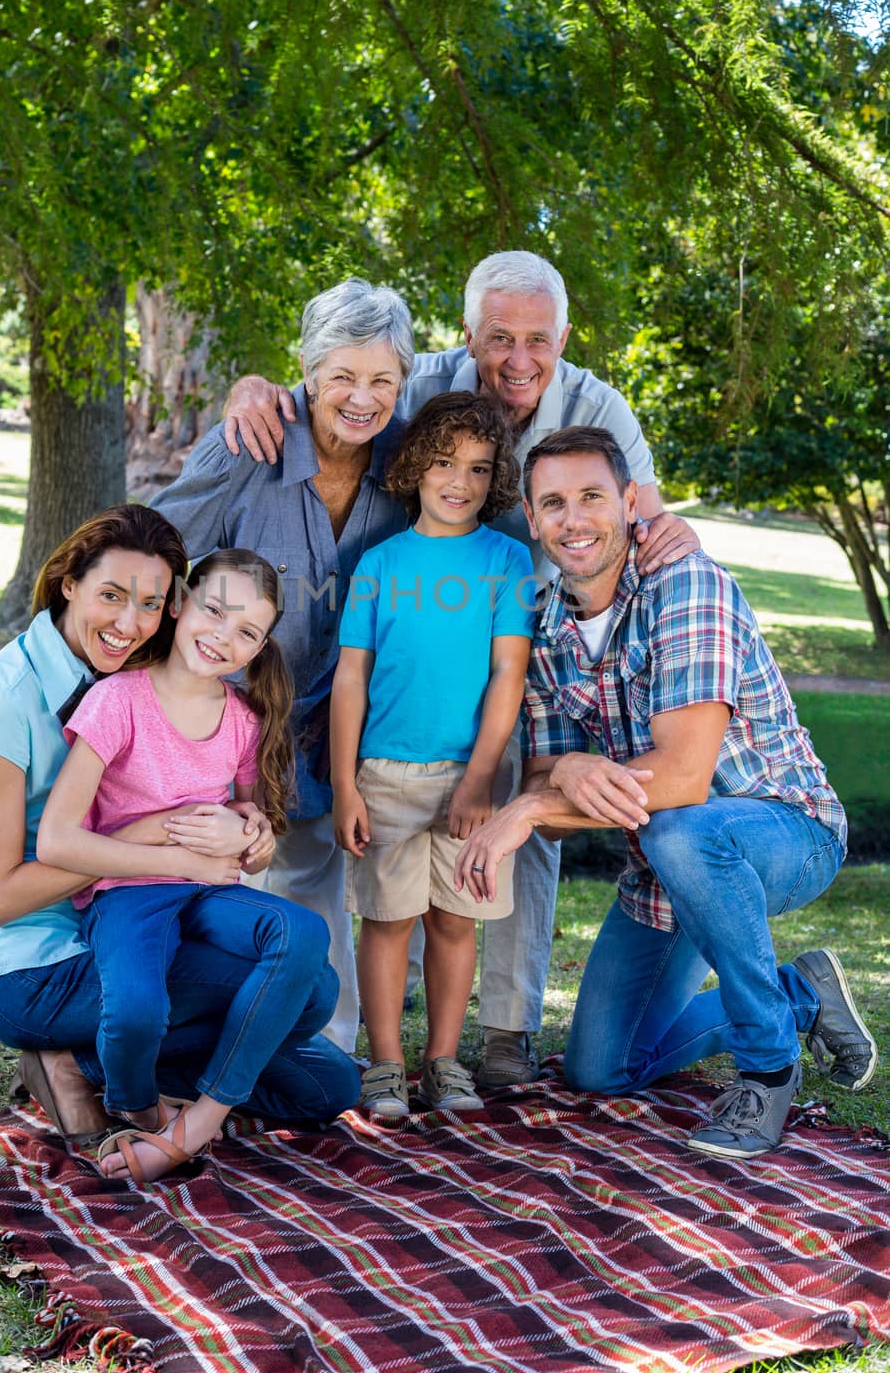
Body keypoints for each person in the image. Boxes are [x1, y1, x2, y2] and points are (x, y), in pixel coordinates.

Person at [222, 251, 700, 1088]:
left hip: (542, 639)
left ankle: (504, 1030)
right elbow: (342, 393)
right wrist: (258, 390)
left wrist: (675, 543)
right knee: (390, 895)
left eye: (537, 340)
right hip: (410, 659)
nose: (518, 359)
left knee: (519, 832)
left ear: (563, 338)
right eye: (498, 338)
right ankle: (384, 1049)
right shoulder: (420, 389)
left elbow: (646, 513)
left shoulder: (596, 406)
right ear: (467, 335)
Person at [455, 426, 877, 1157]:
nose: (573, 520)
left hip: (784, 831)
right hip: (665, 870)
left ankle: (767, 1069)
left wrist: (529, 804)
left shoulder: (685, 584)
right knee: (599, 1068)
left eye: (591, 496)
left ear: (627, 502)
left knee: (678, 829)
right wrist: (559, 773)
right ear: (529, 515)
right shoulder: (548, 627)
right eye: (553, 503)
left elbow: (679, 779)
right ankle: (802, 994)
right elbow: (547, 793)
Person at [0, 505, 359, 1158]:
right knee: (307, 992)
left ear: (171, 607)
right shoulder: (8, 705)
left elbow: (224, 794)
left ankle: (98, 1060)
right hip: (41, 966)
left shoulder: (138, 679)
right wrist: (158, 839)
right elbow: (0, 897)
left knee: (325, 1080)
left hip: (156, 914)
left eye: (149, 603)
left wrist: (249, 831)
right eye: (111, 595)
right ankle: (83, 1066)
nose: (128, 623)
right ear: (68, 583)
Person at [153, 278, 415, 1053]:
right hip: (227, 719)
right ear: (305, 369)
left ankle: (316, 1051)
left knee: (314, 889)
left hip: (336, 721)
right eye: (341, 376)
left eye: (381, 381)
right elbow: (154, 546)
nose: (361, 398)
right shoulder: (248, 442)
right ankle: (183, 1046)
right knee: (210, 888)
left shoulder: (407, 462)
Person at [36, 548, 325, 1184]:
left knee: (308, 953)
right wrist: (179, 856)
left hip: (207, 893)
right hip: (126, 892)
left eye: (246, 631)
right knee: (138, 1010)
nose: (223, 636)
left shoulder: (243, 721)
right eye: (213, 610)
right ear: (179, 605)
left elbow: (254, 819)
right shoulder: (117, 702)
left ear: (259, 648)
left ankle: (199, 1120)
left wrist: (254, 834)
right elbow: (59, 840)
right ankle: (131, 1101)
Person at [332, 393, 534, 1115]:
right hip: (383, 771)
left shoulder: (509, 561)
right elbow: (350, 677)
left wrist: (480, 777)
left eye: (479, 469)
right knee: (386, 921)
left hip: (473, 780)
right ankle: (384, 1063)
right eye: (444, 462)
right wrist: (344, 784)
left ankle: (442, 1060)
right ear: (414, 465)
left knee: (454, 921)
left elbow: (508, 672)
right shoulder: (378, 564)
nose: (459, 481)